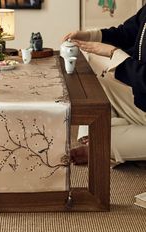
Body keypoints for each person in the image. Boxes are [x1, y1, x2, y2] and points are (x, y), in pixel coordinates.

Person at [63, 5, 146, 165]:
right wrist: (89, 35)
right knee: (92, 62)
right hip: (142, 103)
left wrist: (114, 54)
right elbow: (125, 33)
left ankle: (98, 145)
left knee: (105, 139)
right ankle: (98, 138)